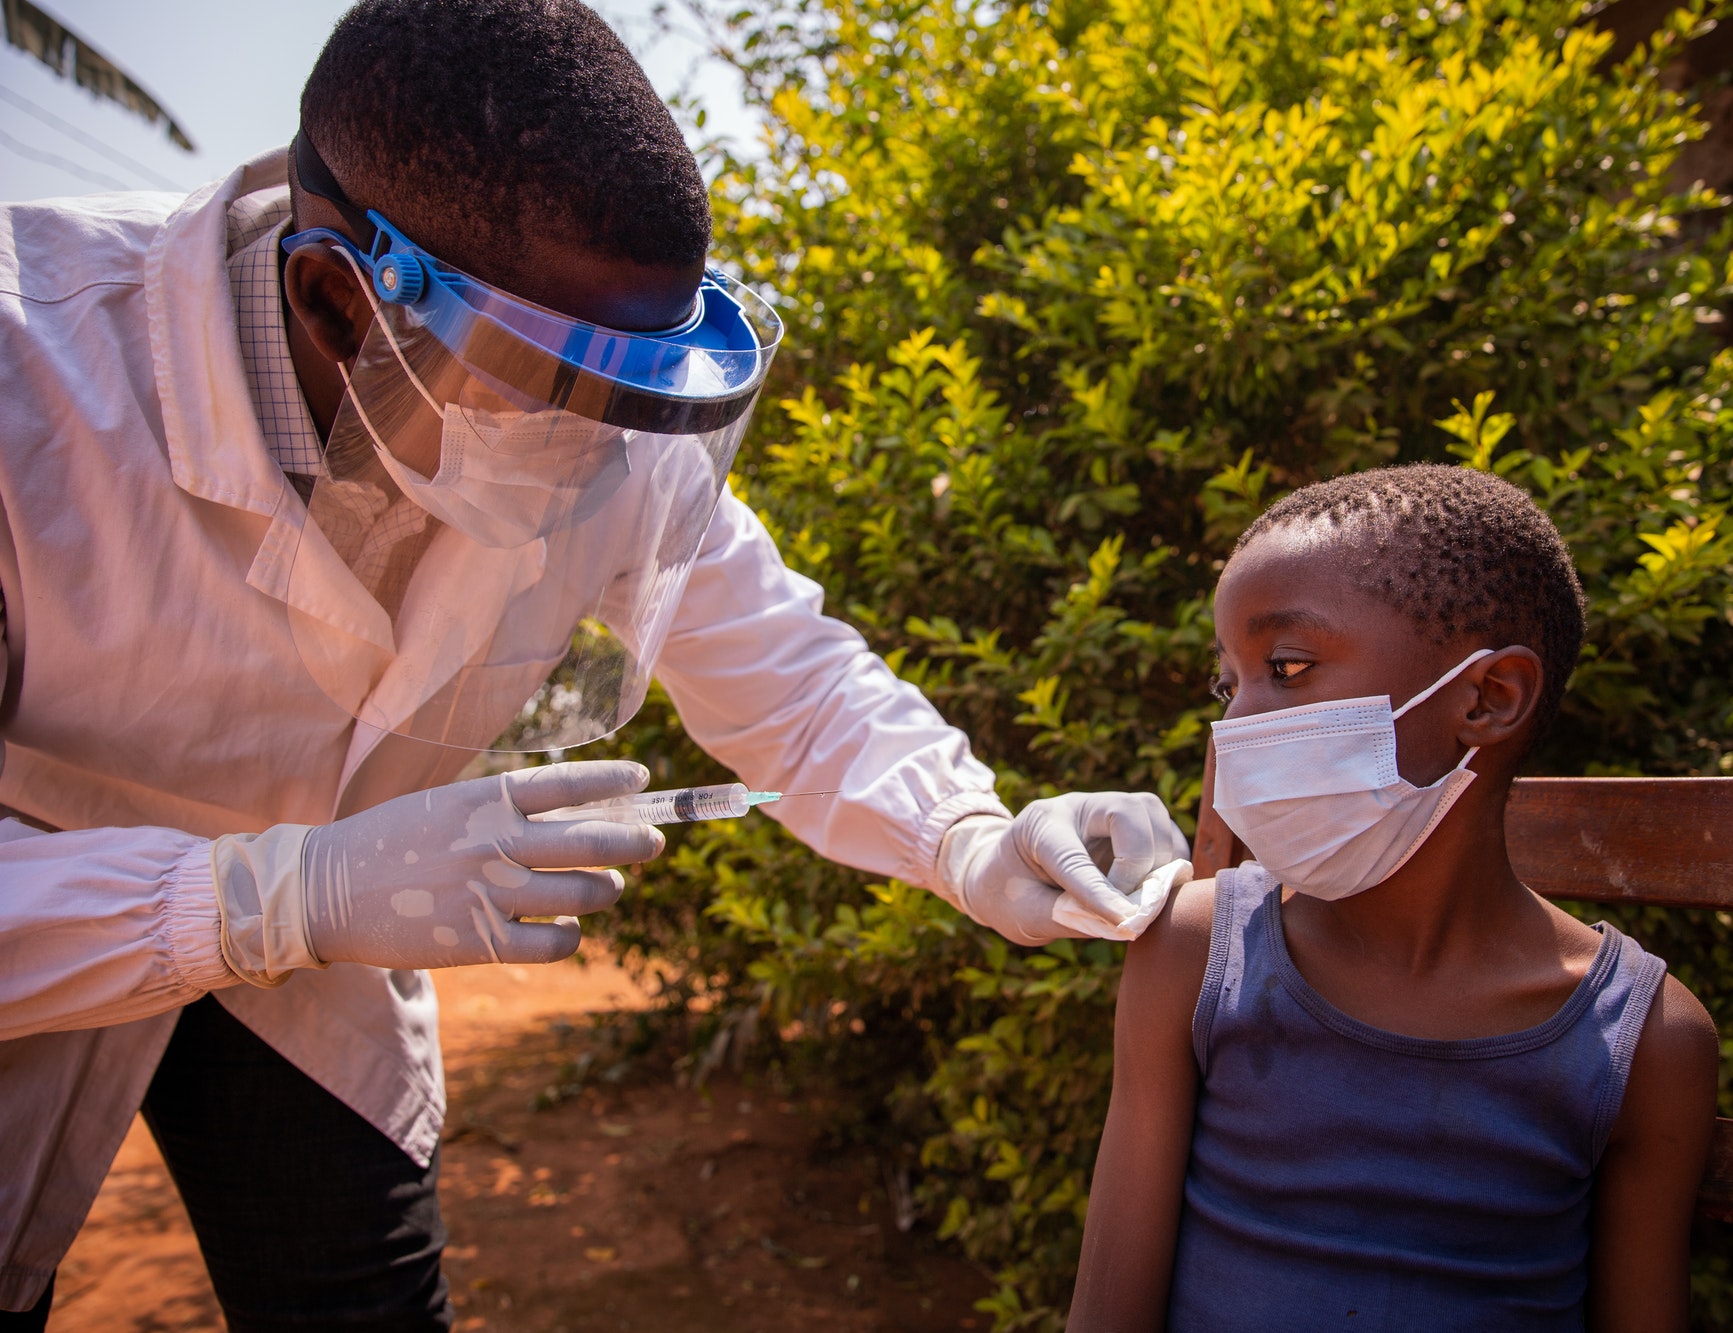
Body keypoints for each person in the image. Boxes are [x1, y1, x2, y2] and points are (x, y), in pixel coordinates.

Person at [0, 2, 1187, 1325]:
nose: (604, 450)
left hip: (329, 954)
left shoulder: (603, 403)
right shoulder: (26, 372)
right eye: (549, 393)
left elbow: (793, 685)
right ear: (340, 297)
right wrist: (278, 893)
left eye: (634, 399)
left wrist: (972, 836)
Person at [1069, 466, 1719, 1332]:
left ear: (1488, 697)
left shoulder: (1645, 1041)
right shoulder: (1193, 951)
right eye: (1230, 685)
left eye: (1287, 666)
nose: (1237, 727)